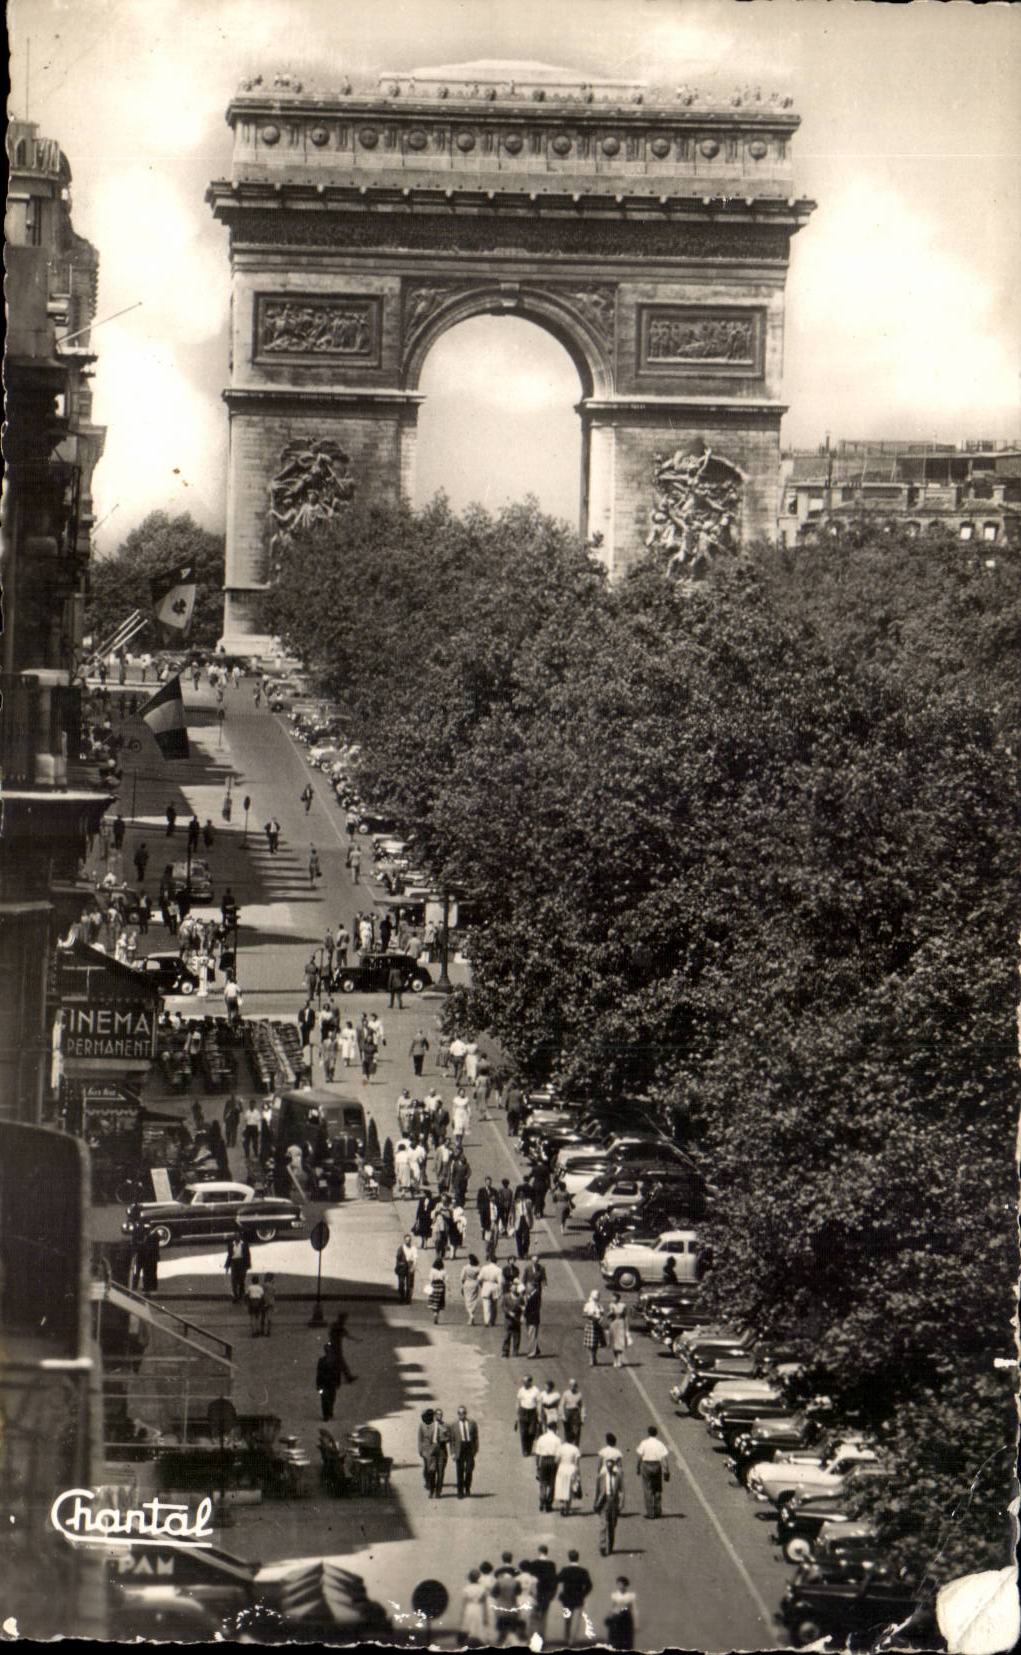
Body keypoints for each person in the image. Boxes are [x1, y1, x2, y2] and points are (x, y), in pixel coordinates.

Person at [595, 1434, 625, 1555]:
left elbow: (599, 1464)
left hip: (613, 1500)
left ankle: (610, 1546)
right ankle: (602, 1545)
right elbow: (621, 1466)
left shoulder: (603, 1452)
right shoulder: (617, 1452)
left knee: (612, 1525)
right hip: (605, 1499)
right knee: (603, 1524)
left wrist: (621, 1503)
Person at [556, 1551, 593, 1646]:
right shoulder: (583, 1571)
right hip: (578, 1598)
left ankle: (567, 1638)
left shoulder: (565, 1570)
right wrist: (583, 1594)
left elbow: (557, 1579)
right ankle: (572, 1640)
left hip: (566, 1599)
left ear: (569, 1558)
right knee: (576, 1620)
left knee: (567, 1620)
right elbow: (589, 1586)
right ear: (578, 1557)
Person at [635, 1425, 671, 1518]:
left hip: (646, 1465)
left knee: (648, 1489)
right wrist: (666, 1470)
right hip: (656, 1466)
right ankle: (658, 1511)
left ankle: (650, 1512)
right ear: (656, 1433)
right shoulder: (660, 1444)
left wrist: (638, 1467)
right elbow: (664, 1459)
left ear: (648, 1433)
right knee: (657, 1488)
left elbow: (639, 1457)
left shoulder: (644, 1443)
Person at [418, 1407, 450, 1499]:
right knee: (432, 1471)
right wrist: (424, 1450)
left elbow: (450, 1437)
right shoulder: (429, 1425)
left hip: (442, 1451)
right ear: (435, 1415)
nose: (439, 1416)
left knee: (440, 1472)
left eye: (441, 1414)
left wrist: (444, 1439)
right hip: (432, 1451)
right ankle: (432, 1490)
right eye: (438, 1414)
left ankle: (438, 1492)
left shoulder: (446, 1426)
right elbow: (425, 1437)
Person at [533, 1421, 561, 1513]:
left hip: (544, 1460)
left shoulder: (541, 1438)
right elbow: (559, 1454)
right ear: (554, 1428)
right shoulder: (557, 1440)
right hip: (553, 1461)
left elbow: (537, 1453)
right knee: (552, 1483)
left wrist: (537, 1465)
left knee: (543, 1482)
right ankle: (549, 1504)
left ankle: (542, 1502)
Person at [452, 1405, 479, 1498]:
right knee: (459, 1471)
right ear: (457, 1414)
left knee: (469, 1469)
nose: (461, 1415)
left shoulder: (472, 1423)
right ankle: (460, 1492)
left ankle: (467, 1487)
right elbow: (452, 1441)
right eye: (459, 1413)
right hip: (460, 1448)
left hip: (469, 1447)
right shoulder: (454, 1425)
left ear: (466, 1413)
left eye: (463, 1413)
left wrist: (475, 1449)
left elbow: (475, 1437)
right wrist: (452, 1452)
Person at [605, 1578, 638, 1650]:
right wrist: (609, 1616)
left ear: (626, 1585)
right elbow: (612, 1607)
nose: (620, 1586)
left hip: (626, 1619)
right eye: (619, 1584)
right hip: (616, 1619)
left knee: (626, 1639)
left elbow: (633, 1609)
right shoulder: (614, 1595)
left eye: (622, 1584)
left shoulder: (631, 1596)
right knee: (615, 1639)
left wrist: (636, 1624)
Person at [554, 1434, 582, 1517]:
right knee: (569, 1489)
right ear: (573, 1440)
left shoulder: (561, 1448)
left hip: (562, 1468)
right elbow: (577, 1463)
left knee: (562, 1487)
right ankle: (567, 1508)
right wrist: (578, 1474)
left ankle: (563, 1505)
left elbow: (556, 1460)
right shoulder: (575, 1449)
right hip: (571, 1468)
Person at [460, 1569, 489, 1647]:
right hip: (478, 1608)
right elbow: (484, 1602)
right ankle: (478, 1642)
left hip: (469, 1608)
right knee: (478, 1625)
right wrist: (486, 1616)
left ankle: (469, 1643)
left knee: (469, 1625)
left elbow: (464, 1602)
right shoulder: (482, 1588)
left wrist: (462, 1614)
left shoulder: (466, 1588)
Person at [224, 1226, 251, 1302]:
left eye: (238, 1236)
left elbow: (247, 1254)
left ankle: (240, 1295)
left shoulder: (244, 1244)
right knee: (234, 1280)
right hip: (234, 1262)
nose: (237, 1237)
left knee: (241, 1280)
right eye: (235, 1236)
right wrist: (227, 1266)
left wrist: (248, 1265)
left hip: (242, 1262)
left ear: (240, 1236)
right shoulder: (230, 1244)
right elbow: (229, 1255)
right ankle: (235, 1296)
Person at [516, 1375, 540, 1455]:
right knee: (523, 1432)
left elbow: (539, 1403)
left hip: (532, 1413)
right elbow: (518, 1402)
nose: (524, 1384)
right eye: (523, 1382)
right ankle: (525, 1450)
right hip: (523, 1412)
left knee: (531, 1432)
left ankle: (529, 1449)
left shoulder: (535, 1390)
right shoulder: (521, 1390)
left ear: (530, 1382)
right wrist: (517, 1415)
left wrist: (539, 1415)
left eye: (526, 1382)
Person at [607, 1293, 631, 1370]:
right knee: (614, 1343)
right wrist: (610, 1313)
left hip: (621, 1324)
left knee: (620, 1343)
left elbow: (626, 1316)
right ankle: (615, 1359)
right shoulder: (611, 1305)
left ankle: (619, 1360)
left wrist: (627, 1328)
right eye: (612, 1297)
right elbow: (609, 1317)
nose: (612, 1298)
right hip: (613, 1324)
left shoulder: (623, 1306)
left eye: (613, 1297)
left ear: (617, 1298)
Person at [582, 1290, 606, 1365]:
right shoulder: (588, 1305)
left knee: (596, 1343)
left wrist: (601, 1318)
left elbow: (602, 1314)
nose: (596, 1298)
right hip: (591, 1324)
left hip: (598, 1324)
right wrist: (590, 1315)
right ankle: (591, 1358)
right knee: (590, 1343)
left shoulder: (599, 1305)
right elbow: (584, 1314)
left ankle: (594, 1356)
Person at [316, 1342, 338, 1421]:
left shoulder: (334, 1360)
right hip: (324, 1383)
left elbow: (337, 1372)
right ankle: (326, 1414)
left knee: (331, 1398)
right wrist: (318, 1385)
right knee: (324, 1399)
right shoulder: (322, 1361)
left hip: (331, 1383)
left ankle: (329, 1411)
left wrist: (337, 1382)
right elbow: (319, 1373)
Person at [560, 1379, 586, 1446]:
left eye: (574, 1385)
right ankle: (567, 1448)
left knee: (576, 1431)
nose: (572, 1387)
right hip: (568, 1413)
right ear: (569, 1385)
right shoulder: (566, 1393)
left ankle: (576, 1447)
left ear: (576, 1386)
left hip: (576, 1413)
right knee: (567, 1431)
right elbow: (561, 1405)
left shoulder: (579, 1394)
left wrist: (582, 1417)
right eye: (571, 1385)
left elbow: (582, 1406)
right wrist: (562, 1415)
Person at [500, 1283, 523, 1357]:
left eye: (516, 1288)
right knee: (507, 1336)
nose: (514, 1289)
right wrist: (509, 1312)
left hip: (517, 1319)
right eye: (513, 1288)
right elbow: (503, 1307)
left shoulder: (520, 1297)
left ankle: (515, 1351)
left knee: (517, 1336)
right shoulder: (506, 1296)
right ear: (510, 1288)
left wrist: (521, 1315)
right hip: (508, 1320)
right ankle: (505, 1351)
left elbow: (523, 1307)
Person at [479, 1258, 503, 1325]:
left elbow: (479, 1278)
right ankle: (492, 1320)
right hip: (494, 1285)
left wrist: (481, 1286)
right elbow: (500, 1282)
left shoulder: (484, 1268)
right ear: (496, 1261)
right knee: (494, 1305)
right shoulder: (498, 1269)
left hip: (486, 1285)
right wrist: (500, 1290)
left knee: (486, 1304)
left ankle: (487, 1320)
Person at [460, 1254, 482, 1325]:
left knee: (467, 1300)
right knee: (474, 1299)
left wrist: (463, 1284)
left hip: (467, 1283)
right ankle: (472, 1314)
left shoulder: (465, 1267)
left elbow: (462, 1278)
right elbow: (480, 1278)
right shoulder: (478, 1268)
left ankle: (471, 1315)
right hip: (475, 1284)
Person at [395, 1234, 417, 1302]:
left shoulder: (413, 1248)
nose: (408, 1241)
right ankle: (402, 1297)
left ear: (411, 1241)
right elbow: (398, 1258)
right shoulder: (400, 1248)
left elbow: (415, 1259)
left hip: (410, 1266)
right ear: (404, 1240)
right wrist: (398, 1266)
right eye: (407, 1240)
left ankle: (408, 1298)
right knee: (401, 1283)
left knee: (409, 1284)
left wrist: (413, 1267)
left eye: (409, 1240)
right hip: (402, 1267)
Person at [244, 1270, 266, 1337]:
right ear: (258, 1281)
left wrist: (246, 1303)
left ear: (252, 1281)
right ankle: (257, 1330)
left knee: (252, 1317)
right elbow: (262, 1296)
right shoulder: (260, 1288)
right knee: (258, 1317)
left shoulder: (249, 1287)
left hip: (251, 1302)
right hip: (258, 1302)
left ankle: (253, 1332)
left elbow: (246, 1295)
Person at [426, 1255, 446, 1324]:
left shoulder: (432, 1270)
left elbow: (430, 1278)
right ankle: (437, 1313)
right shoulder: (443, 1271)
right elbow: (445, 1279)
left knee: (433, 1300)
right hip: (441, 1286)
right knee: (439, 1301)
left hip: (434, 1285)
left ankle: (434, 1312)